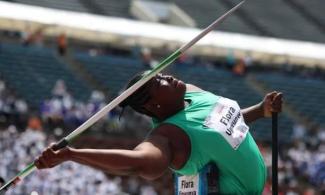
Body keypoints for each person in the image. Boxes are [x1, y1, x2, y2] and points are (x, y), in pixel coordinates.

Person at [35, 71, 283, 194]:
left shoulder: (191, 93)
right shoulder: (167, 137)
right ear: (153, 105)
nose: (168, 76)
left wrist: (261, 110)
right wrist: (72, 154)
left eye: (160, 73)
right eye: (159, 82)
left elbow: (221, 123)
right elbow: (137, 163)